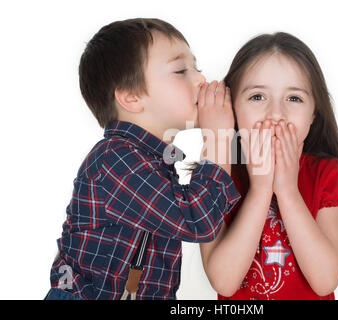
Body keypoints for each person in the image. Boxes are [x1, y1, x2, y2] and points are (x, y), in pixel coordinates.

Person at [46, 18, 240, 300]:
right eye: (181, 70)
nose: (200, 79)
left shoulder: (154, 161)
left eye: (197, 67)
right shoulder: (114, 160)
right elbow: (198, 221)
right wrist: (219, 139)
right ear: (132, 97)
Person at [200, 32, 338, 300]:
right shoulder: (217, 173)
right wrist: (261, 189)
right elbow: (224, 282)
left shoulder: (329, 174)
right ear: (232, 109)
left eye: (294, 98)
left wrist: (287, 192)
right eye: (257, 97)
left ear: (313, 114)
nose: (276, 114)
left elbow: (325, 281)